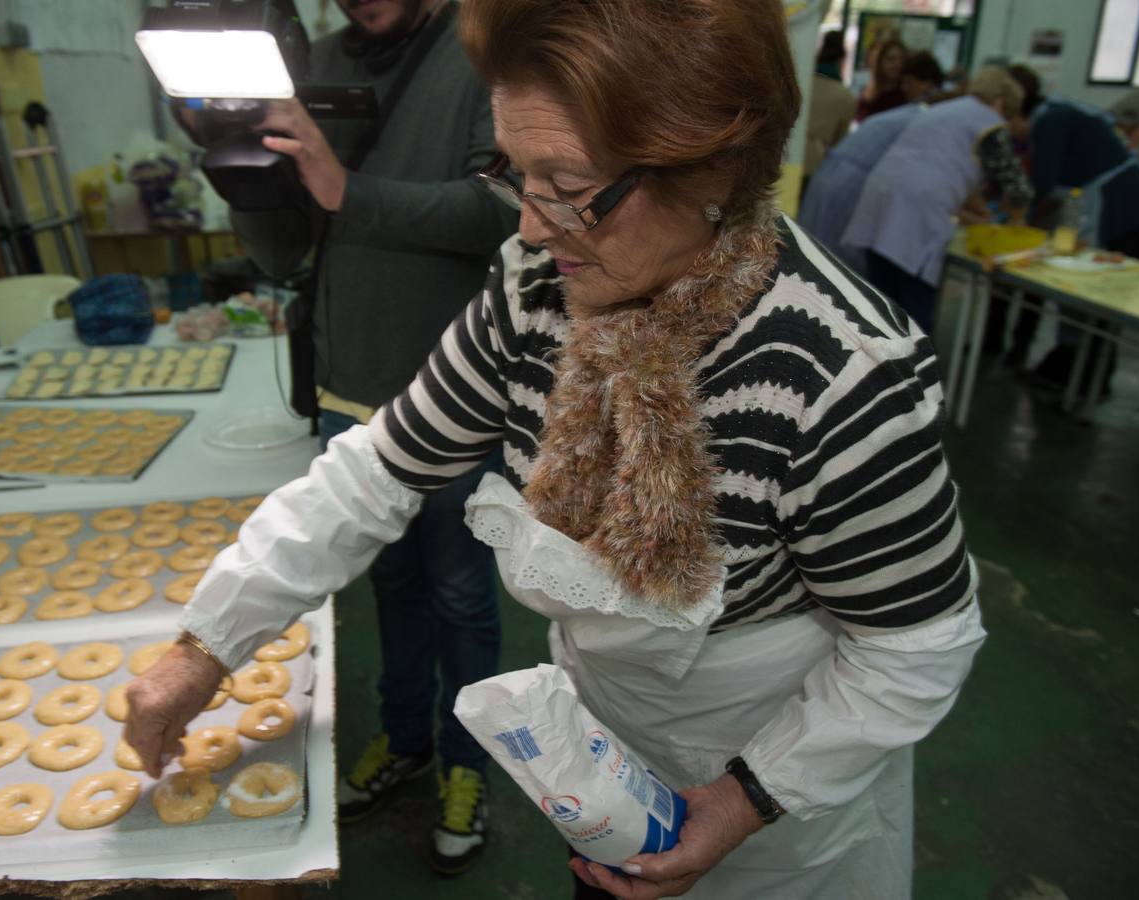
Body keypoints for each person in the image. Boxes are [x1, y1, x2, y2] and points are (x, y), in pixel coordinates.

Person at [126, 1, 987, 897]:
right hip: (600, 769)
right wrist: (209, 642)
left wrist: (738, 803)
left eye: (568, 187)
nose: (532, 227)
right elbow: (378, 469)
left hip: (779, 794)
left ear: (715, 168)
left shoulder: (839, 373)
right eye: (515, 175)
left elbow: (914, 648)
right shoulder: (538, 287)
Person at [182, 0, 515, 874]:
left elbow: (506, 214)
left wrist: (346, 188)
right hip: (345, 386)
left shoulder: (485, 48)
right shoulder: (306, 57)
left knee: (460, 596)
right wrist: (244, 177)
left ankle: (467, 766)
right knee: (389, 589)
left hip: (455, 397)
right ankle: (406, 741)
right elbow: (286, 252)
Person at [998, 65, 1139, 380]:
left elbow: (1043, 186)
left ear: (1018, 113)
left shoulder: (1049, 122)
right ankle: (1082, 370)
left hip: (1122, 205)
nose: (1011, 135)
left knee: (1101, 290)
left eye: (1009, 125)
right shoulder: (1058, 112)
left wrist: (1017, 219)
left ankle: (1082, 372)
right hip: (1126, 200)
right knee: (1102, 289)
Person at [841, 67, 1033, 332]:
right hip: (914, 213)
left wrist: (976, 211)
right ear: (1001, 102)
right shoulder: (989, 122)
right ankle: (914, 369)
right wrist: (1016, 224)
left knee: (882, 303)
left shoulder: (945, 110)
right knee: (912, 310)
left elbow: (952, 171)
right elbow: (1017, 186)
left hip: (881, 197)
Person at [799, 52, 945, 270]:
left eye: (908, 82)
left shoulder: (916, 113)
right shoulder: (926, 118)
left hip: (835, 172)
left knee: (814, 248)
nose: (905, 88)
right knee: (833, 260)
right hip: (850, 182)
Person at [804, 31, 855, 179]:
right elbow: (840, 141)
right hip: (816, 166)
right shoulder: (845, 96)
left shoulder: (801, 83)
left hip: (786, 158)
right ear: (841, 60)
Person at [856, 37, 907, 121]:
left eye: (901, 60)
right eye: (891, 59)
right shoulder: (869, 93)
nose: (898, 65)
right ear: (880, 62)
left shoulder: (907, 95)